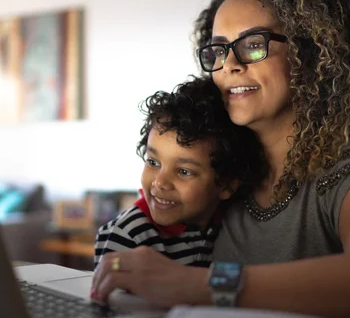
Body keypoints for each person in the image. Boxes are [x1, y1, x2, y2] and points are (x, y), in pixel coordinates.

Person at [91, 0, 350, 317]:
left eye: (253, 44)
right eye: (218, 50)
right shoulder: (225, 166)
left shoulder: (347, 165)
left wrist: (198, 285)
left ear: (313, 52)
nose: (229, 65)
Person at [93, 77, 266, 271]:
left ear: (226, 184)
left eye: (184, 171)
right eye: (153, 162)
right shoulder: (128, 235)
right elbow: (109, 298)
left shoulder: (232, 224)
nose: (160, 182)